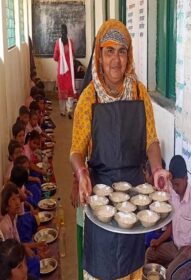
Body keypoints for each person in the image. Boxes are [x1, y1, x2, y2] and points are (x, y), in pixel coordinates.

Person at [70, 19, 170, 280]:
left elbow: (151, 140)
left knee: (131, 266)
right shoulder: (89, 98)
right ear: (99, 55)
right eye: (109, 51)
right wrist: (81, 173)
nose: (116, 60)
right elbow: (76, 150)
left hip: (135, 195)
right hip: (100, 192)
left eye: (122, 51)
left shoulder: (139, 93)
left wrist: (157, 168)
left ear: (129, 55)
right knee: (103, 265)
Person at [145, 155, 191, 279]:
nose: (175, 188)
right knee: (150, 253)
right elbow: (172, 224)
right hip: (174, 246)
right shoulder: (173, 194)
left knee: (170, 273)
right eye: (173, 184)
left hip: (187, 252)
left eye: (177, 184)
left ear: (186, 179)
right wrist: (159, 241)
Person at [53, 24, 76, 118]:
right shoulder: (70, 42)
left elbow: (55, 57)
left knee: (62, 90)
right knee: (70, 90)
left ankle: (62, 111)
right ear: (67, 31)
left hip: (61, 71)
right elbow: (73, 54)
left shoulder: (58, 43)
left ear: (60, 31)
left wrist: (60, 59)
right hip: (69, 71)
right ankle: (69, 110)